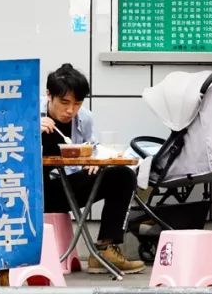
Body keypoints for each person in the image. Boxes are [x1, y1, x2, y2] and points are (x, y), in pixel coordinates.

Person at [40, 64, 144, 274]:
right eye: (64, 102)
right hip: (34, 192)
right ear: (49, 95)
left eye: (77, 103)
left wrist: (93, 161)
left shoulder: (84, 118)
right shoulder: (28, 114)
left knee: (123, 176)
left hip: (66, 188)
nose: (71, 110)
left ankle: (105, 249)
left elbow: (93, 149)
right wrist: (30, 129)